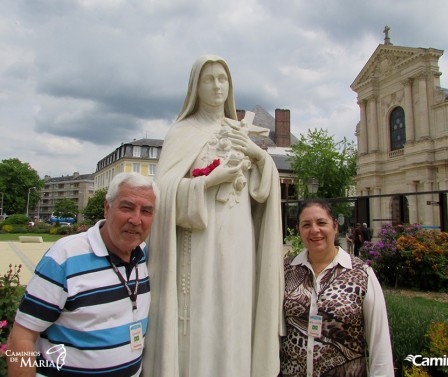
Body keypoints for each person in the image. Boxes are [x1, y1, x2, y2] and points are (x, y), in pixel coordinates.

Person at [143, 54, 284, 377]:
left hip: (239, 239)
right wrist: (207, 182)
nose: (218, 85)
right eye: (210, 79)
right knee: (200, 315)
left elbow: (262, 193)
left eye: (223, 79)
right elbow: (162, 192)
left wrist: (259, 157)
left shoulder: (240, 131)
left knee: (235, 310)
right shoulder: (182, 131)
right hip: (199, 242)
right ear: (196, 86)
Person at [7, 173, 158, 377]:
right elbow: (22, 336)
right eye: (127, 207)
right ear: (107, 207)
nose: (136, 219)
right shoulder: (65, 257)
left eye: (146, 211)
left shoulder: (142, 255)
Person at [280, 200, 394, 376]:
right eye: (306, 225)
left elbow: (380, 343)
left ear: (335, 226)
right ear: (299, 230)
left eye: (321, 223)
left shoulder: (361, 274)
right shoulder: (285, 271)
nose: (314, 230)